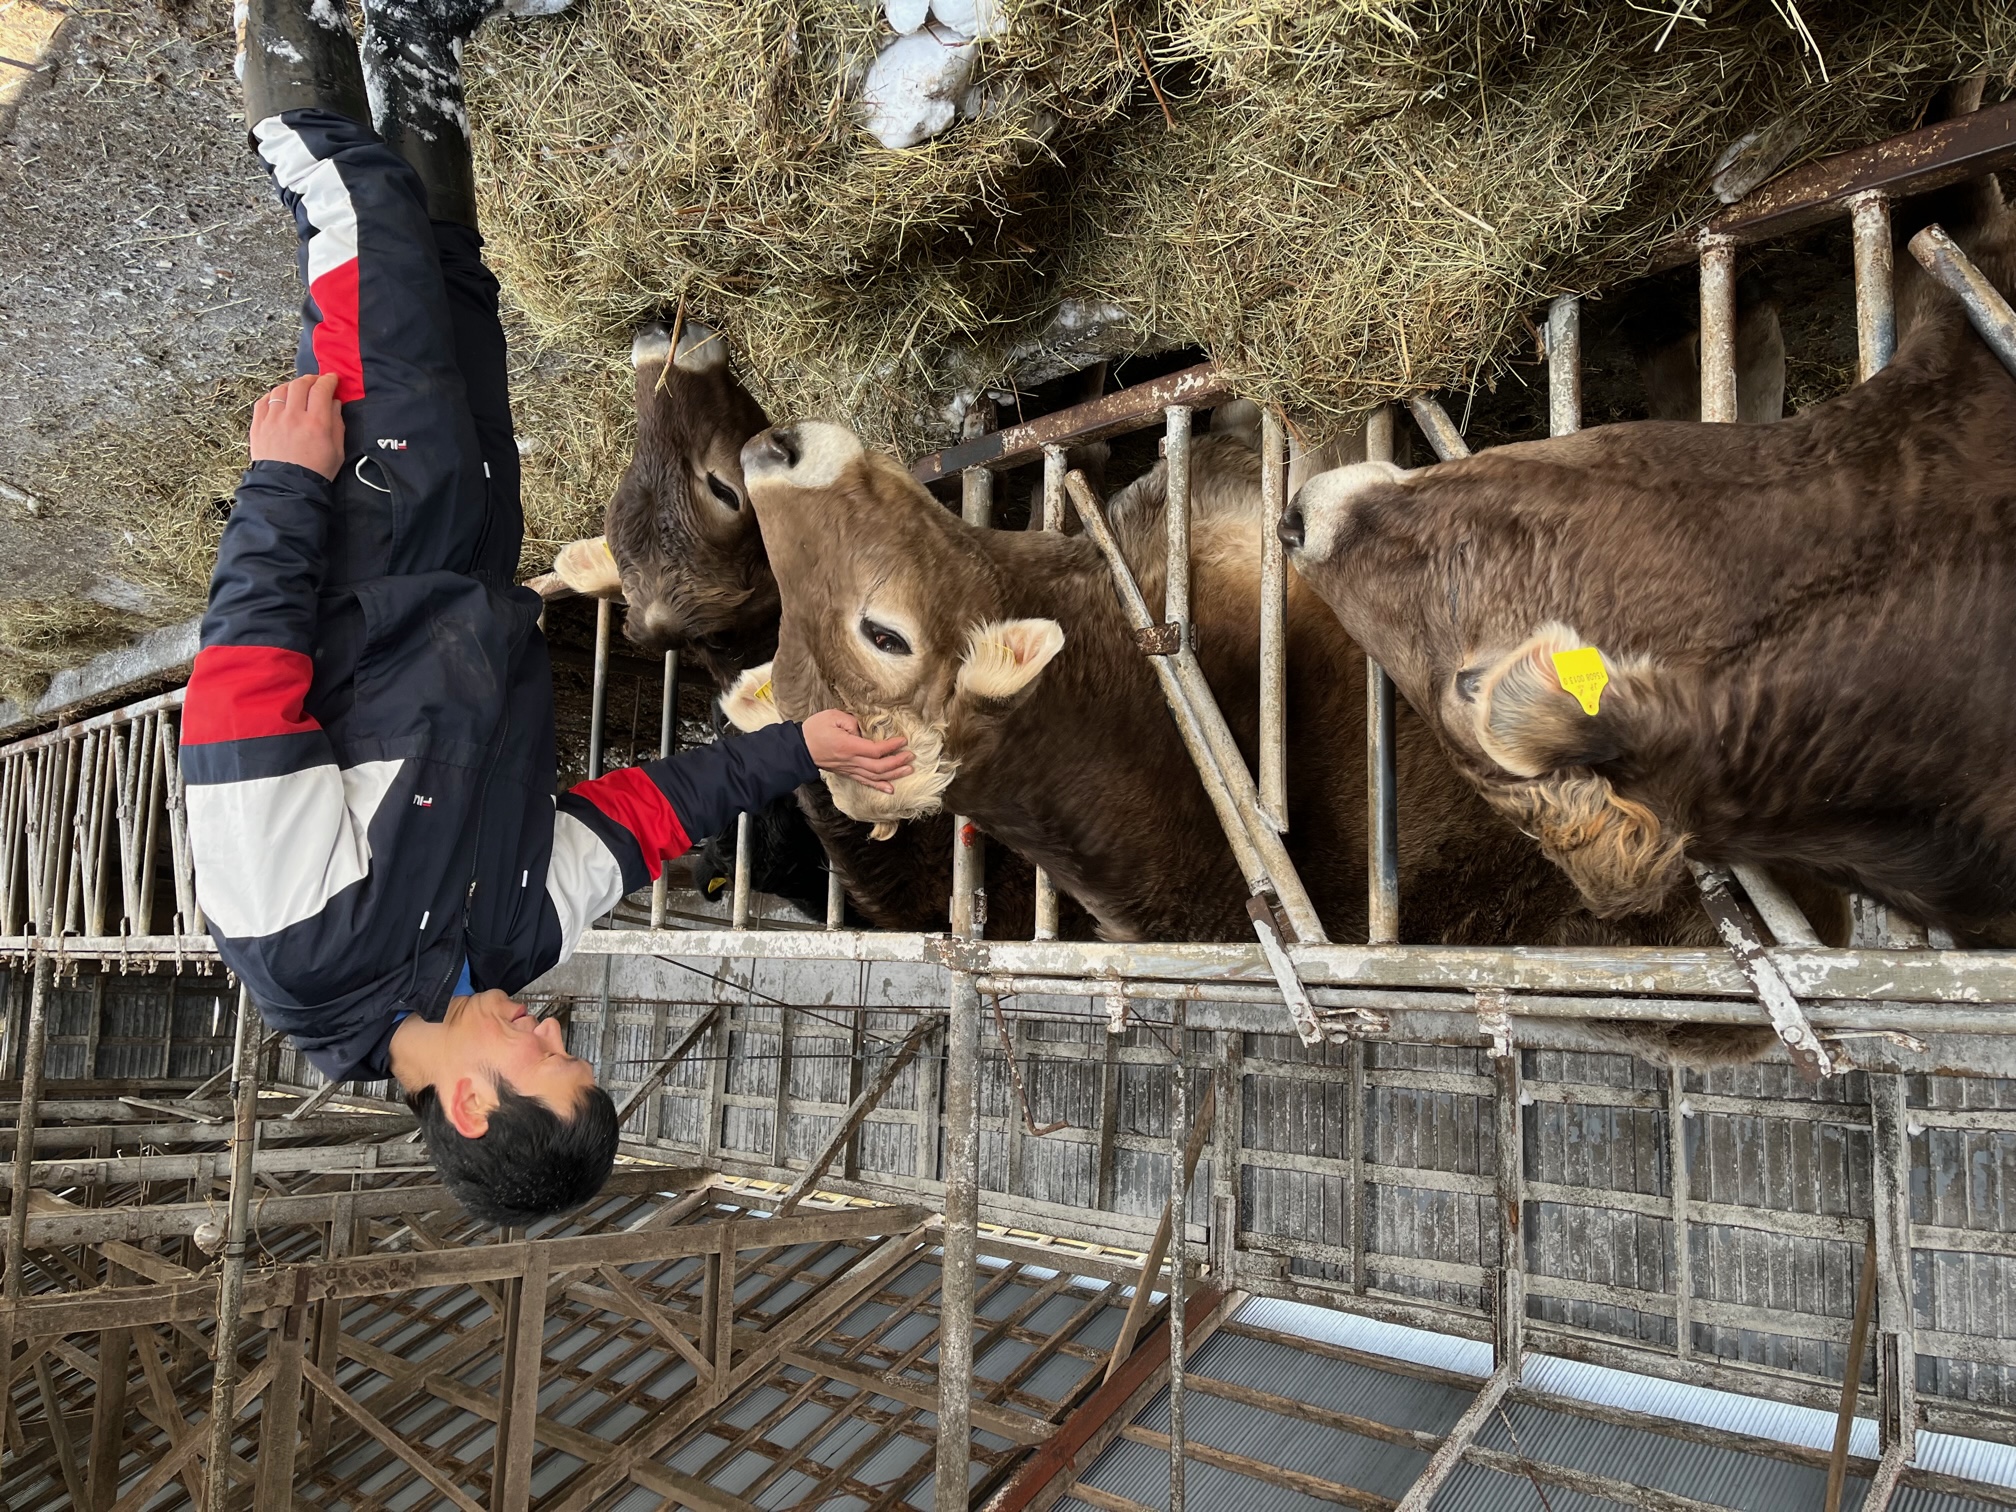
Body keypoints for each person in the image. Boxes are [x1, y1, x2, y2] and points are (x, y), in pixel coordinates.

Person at [180, 0, 911, 1226]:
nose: (555, 1022)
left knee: (360, 221)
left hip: (366, 525)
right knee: (458, 283)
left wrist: (284, 486)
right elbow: (649, 816)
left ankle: (292, 52)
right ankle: (420, 48)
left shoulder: (298, 945)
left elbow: (240, 686)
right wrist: (800, 748)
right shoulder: (515, 944)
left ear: (470, 1104)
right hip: (471, 558)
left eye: (548, 1056)